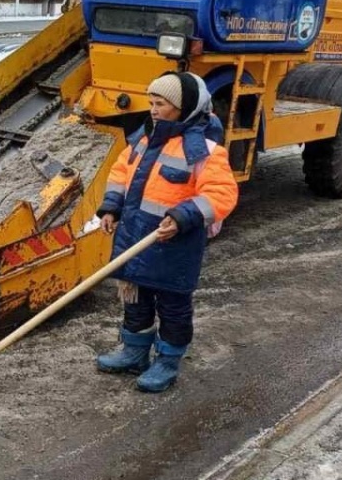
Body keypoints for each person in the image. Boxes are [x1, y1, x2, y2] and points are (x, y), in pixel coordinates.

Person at [95, 71, 238, 392]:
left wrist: (182, 217)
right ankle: (134, 352)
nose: (153, 109)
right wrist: (111, 207)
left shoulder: (203, 150)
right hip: (136, 239)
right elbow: (121, 173)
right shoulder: (144, 140)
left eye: (161, 103)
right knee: (136, 300)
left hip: (175, 248)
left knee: (172, 307)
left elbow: (221, 194)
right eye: (151, 102)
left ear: (183, 107)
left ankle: (168, 360)